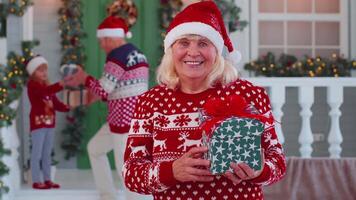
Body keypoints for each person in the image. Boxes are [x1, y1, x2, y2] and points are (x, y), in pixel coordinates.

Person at [122, 1, 286, 200]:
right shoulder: (151, 102)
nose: (193, 52)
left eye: (203, 43)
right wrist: (171, 171)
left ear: (216, 52)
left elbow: (277, 162)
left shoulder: (248, 94)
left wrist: (259, 172)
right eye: (184, 43)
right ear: (171, 50)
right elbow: (130, 173)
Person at [72, 15, 151, 200]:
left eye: (101, 41)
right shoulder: (138, 54)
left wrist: (85, 78)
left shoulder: (117, 56)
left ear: (109, 38)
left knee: (126, 169)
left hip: (124, 123)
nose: (101, 46)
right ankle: (107, 196)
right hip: (129, 120)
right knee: (95, 149)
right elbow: (125, 89)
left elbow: (103, 90)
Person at [26, 55, 74, 189]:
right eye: (40, 70)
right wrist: (60, 85)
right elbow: (44, 91)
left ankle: (47, 179)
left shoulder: (47, 88)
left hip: (49, 124)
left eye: (45, 70)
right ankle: (36, 180)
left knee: (47, 153)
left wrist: (67, 107)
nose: (44, 73)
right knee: (37, 153)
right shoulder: (33, 86)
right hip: (38, 124)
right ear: (33, 73)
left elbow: (56, 104)